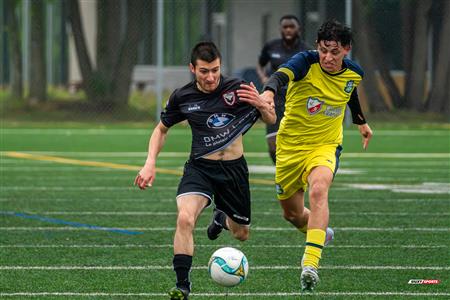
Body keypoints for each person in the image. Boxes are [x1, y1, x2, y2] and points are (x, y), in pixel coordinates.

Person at [134, 41, 275, 300]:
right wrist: (149, 162)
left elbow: (271, 119)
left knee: (241, 234)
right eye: (204, 71)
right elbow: (160, 129)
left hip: (233, 171)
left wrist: (261, 104)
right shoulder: (183, 96)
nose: (211, 77)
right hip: (200, 168)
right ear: (192, 69)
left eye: (215, 70)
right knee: (185, 219)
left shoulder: (238, 88)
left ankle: (220, 218)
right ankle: (182, 286)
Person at [260, 20, 373, 292]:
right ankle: (320, 233)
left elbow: (349, 92)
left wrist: (360, 121)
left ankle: (310, 264)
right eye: (323, 50)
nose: (328, 58)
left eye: (334, 52)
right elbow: (280, 76)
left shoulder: (354, 72)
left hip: (325, 145)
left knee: (319, 189)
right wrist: (268, 91)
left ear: (346, 50)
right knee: (292, 214)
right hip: (290, 147)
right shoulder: (304, 62)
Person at [256, 15, 311, 164]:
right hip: (274, 98)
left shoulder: (306, 50)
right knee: (273, 142)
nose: (288, 30)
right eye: (285, 27)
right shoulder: (271, 47)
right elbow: (260, 64)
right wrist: (263, 78)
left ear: (298, 29)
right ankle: (281, 172)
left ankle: (297, 173)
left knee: (297, 141)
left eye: (291, 26)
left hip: (297, 99)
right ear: (281, 29)